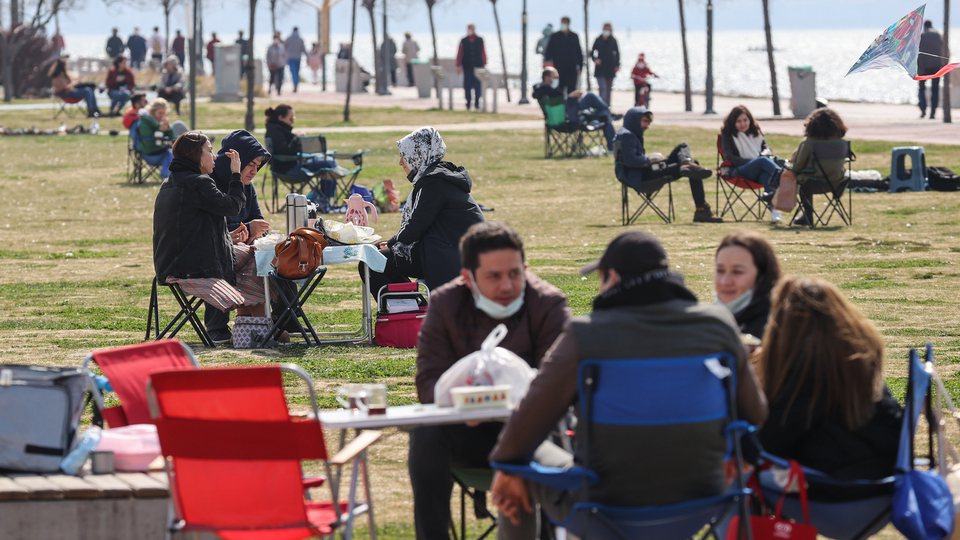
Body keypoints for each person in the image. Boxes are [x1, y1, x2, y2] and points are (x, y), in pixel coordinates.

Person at [489, 230, 768, 527]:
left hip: (604, 507)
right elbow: (756, 412)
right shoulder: (719, 326)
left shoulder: (586, 334)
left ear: (612, 279)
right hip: (702, 502)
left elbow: (530, 417)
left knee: (518, 457)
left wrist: (508, 468)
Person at [410, 221, 571, 540]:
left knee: (554, 453)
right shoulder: (445, 303)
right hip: (468, 433)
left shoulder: (548, 303)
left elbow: (562, 386)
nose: (507, 285)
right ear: (468, 277)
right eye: (494, 276)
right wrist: (471, 404)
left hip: (535, 434)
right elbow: (428, 386)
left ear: (525, 268)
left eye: (515, 273)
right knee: (425, 438)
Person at [757, 277, 902, 481]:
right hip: (887, 476)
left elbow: (771, 440)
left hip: (832, 486)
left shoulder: (810, 368)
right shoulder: (859, 355)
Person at [154, 131, 268, 342]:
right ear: (196, 155)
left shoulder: (170, 183)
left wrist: (227, 237)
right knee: (254, 256)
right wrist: (236, 175)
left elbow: (191, 231)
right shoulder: (199, 182)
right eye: (209, 151)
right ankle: (250, 327)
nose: (214, 156)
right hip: (193, 267)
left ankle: (248, 326)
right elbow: (233, 207)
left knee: (243, 252)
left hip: (169, 264)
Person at [360, 127, 485, 295]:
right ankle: (407, 311)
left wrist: (393, 242)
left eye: (404, 155)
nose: (401, 162)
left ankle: (404, 314)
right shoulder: (437, 176)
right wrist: (393, 242)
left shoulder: (433, 182)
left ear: (418, 154)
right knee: (374, 255)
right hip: (447, 248)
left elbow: (417, 225)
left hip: (451, 254)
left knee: (371, 261)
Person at [204, 130, 274, 345]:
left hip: (245, 248)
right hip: (211, 250)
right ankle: (216, 326)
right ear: (233, 160)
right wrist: (245, 229)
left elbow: (258, 220)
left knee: (277, 256)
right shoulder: (208, 183)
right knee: (228, 258)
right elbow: (208, 226)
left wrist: (257, 233)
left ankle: (285, 318)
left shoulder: (247, 186)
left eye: (258, 166)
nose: (254, 171)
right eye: (250, 164)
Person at [615, 106, 722, 222]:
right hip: (643, 179)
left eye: (648, 123)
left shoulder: (627, 133)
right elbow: (631, 161)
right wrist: (649, 160)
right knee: (694, 166)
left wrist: (651, 159)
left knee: (683, 146)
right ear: (634, 120)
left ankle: (686, 163)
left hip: (645, 173)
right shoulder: (627, 136)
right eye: (645, 121)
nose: (647, 126)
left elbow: (631, 159)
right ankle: (701, 210)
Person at [263, 104, 337, 207]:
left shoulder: (276, 129)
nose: (293, 121)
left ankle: (320, 197)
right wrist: (297, 139)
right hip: (289, 169)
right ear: (281, 117)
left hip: (290, 166)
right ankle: (323, 200)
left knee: (329, 162)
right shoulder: (276, 132)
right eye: (291, 118)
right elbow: (286, 152)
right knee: (329, 163)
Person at [720, 105, 784, 223]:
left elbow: (767, 150)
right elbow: (730, 157)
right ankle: (785, 178)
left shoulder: (757, 133)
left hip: (758, 171)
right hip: (738, 170)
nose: (743, 124)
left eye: (745, 120)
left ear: (750, 120)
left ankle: (775, 211)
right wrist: (754, 161)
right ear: (733, 122)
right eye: (738, 121)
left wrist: (760, 158)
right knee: (762, 161)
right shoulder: (728, 135)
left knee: (766, 176)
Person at [714, 231, 781, 340]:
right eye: (720, 270)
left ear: (762, 275)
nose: (725, 281)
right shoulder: (709, 321)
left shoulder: (776, 326)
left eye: (737, 272)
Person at [532, 66, 615, 150]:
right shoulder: (546, 90)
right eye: (555, 77)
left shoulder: (542, 91)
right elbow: (561, 104)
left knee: (603, 113)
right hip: (569, 117)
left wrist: (569, 97)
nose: (557, 79)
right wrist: (571, 97)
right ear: (547, 78)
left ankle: (607, 112)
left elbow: (559, 104)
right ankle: (612, 146)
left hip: (564, 116)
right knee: (591, 97)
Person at [789, 108, 848, 227]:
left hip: (814, 184)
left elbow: (798, 166)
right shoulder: (842, 142)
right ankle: (806, 215)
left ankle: (808, 215)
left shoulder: (809, 142)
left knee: (798, 178)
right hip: (838, 182)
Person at [544, 16, 583, 94]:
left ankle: (571, 106)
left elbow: (579, 52)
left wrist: (580, 66)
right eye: (562, 23)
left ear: (568, 24)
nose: (563, 24)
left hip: (571, 68)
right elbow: (549, 50)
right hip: (559, 67)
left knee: (572, 90)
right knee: (559, 89)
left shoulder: (574, 36)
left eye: (564, 23)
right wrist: (547, 60)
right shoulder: (555, 36)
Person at [137, 98, 175, 179]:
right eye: (160, 113)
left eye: (164, 113)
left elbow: (171, 137)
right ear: (153, 111)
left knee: (176, 151)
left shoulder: (158, 121)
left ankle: (169, 176)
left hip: (160, 150)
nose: (162, 116)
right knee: (172, 153)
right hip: (150, 153)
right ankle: (168, 176)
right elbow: (149, 143)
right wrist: (160, 130)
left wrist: (168, 128)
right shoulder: (145, 122)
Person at [919, 20, 946, 119]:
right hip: (936, 66)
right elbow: (945, 49)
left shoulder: (921, 35)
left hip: (923, 67)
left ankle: (923, 110)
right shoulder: (938, 35)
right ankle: (933, 112)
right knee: (935, 90)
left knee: (922, 88)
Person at [456, 24, 486, 111]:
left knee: (477, 86)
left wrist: (484, 63)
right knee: (467, 86)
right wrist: (458, 65)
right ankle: (468, 103)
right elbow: (460, 53)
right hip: (467, 66)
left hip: (477, 67)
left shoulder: (480, 40)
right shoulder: (464, 40)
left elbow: (483, 52)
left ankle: (477, 103)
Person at [590, 22, 619, 109]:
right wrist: (595, 59)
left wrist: (617, 65)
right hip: (600, 68)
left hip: (610, 68)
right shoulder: (598, 39)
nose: (606, 31)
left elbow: (617, 53)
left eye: (608, 29)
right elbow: (592, 52)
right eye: (605, 29)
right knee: (603, 88)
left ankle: (607, 107)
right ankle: (601, 106)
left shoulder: (613, 40)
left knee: (608, 90)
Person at [285, 27, 306, 92]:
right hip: (298, 58)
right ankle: (296, 84)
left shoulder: (289, 39)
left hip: (290, 57)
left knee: (293, 72)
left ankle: (295, 84)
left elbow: (284, 47)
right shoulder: (300, 39)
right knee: (296, 72)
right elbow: (303, 49)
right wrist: (308, 56)